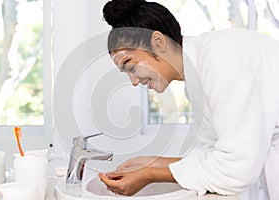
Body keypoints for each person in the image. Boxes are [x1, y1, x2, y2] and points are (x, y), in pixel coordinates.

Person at [99, 0, 279, 199]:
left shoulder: (221, 60)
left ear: (158, 42)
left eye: (130, 66)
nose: (133, 81)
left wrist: (149, 174)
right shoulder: (199, 76)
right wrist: (154, 163)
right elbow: (215, 154)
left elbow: (236, 169)